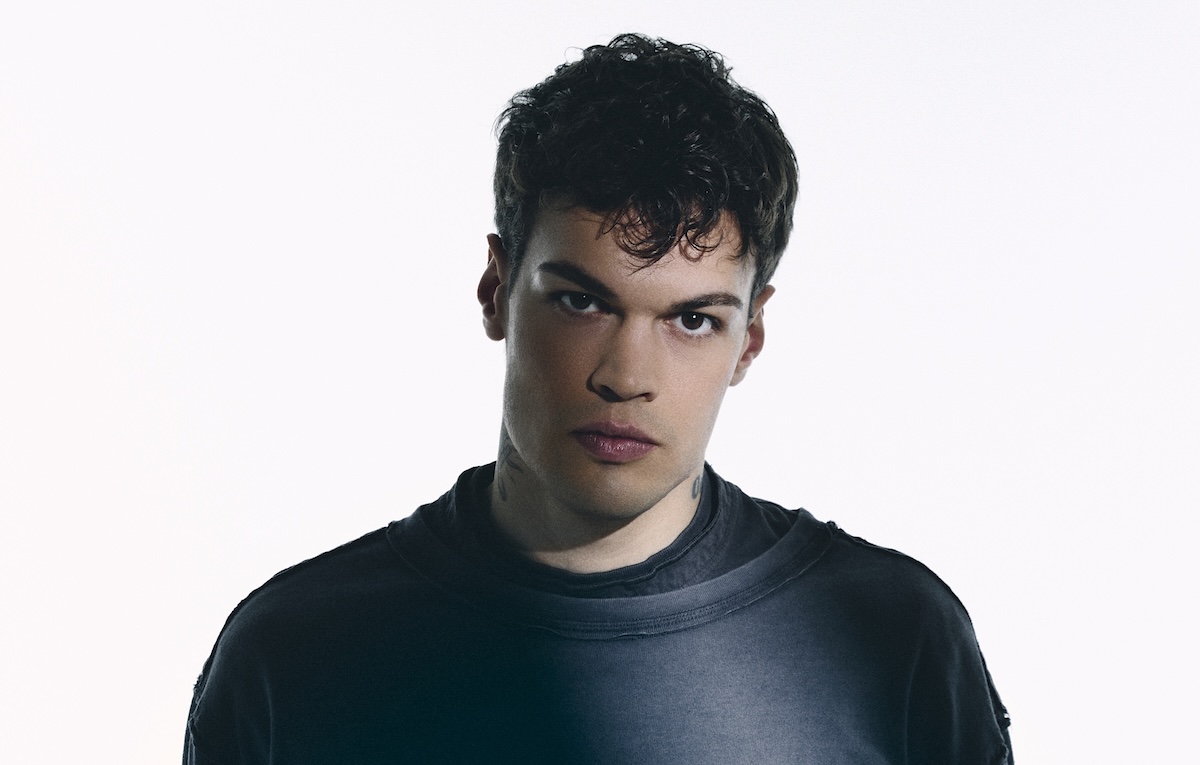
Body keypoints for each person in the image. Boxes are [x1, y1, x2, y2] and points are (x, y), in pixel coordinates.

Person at [184, 33, 1013, 764]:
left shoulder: (895, 640)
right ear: (497, 289)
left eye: (692, 319)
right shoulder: (296, 653)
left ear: (750, 337)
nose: (625, 374)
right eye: (583, 301)